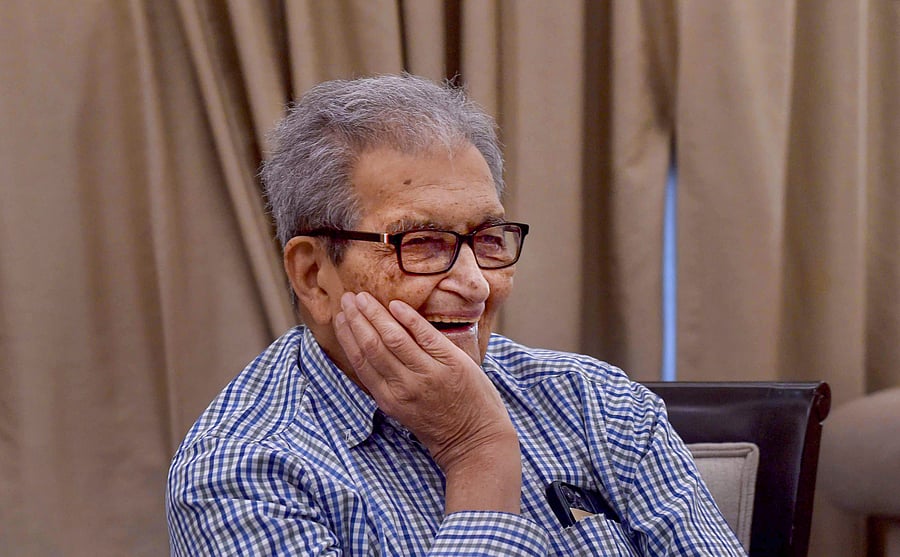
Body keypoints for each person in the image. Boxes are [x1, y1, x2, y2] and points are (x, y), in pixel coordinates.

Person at [166, 74, 745, 556]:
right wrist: (478, 455)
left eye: (489, 238)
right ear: (314, 274)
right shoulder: (240, 474)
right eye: (420, 243)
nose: (473, 283)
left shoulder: (595, 400)